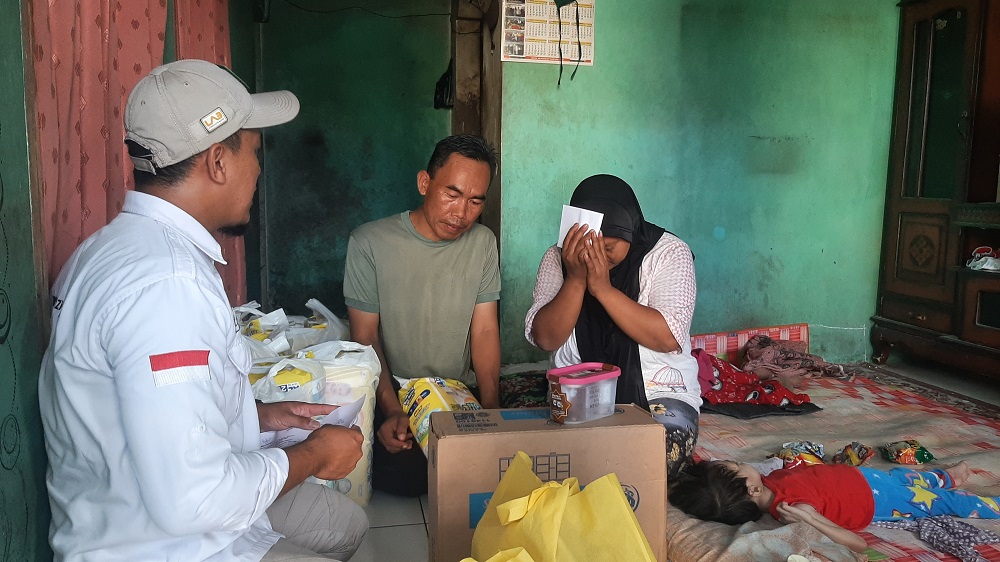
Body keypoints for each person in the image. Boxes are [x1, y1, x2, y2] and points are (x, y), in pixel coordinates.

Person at [38, 59, 368, 562]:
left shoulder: (109, 247)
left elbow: (147, 407)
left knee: (344, 525)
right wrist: (315, 454)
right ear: (218, 163)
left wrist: (256, 417)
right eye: (254, 152)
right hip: (159, 546)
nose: (258, 169)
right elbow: (195, 498)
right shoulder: (166, 285)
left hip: (150, 509)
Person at [343, 134, 501, 497]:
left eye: (475, 201)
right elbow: (365, 337)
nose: (461, 214)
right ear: (424, 183)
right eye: (452, 195)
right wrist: (392, 410)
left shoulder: (482, 243)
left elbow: (484, 330)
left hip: (457, 393)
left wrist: (493, 411)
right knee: (406, 472)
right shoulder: (369, 243)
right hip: (396, 390)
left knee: (483, 463)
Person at [525, 174, 699, 478]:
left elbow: (668, 337)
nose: (596, 257)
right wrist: (576, 279)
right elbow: (545, 338)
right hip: (576, 396)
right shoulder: (559, 256)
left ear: (630, 230)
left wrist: (603, 289)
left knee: (653, 459)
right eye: (587, 247)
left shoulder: (669, 253)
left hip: (658, 395)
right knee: (544, 460)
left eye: (607, 248)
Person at [669, 459, 996, 553]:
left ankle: (947, 477)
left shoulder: (765, 482)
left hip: (867, 478)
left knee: (907, 477)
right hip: (877, 500)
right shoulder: (791, 507)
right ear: (752, 489)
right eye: (738, 464)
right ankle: (990, 504)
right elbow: (856, 545)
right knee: (943, 502)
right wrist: (812, 521)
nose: (741, 461)